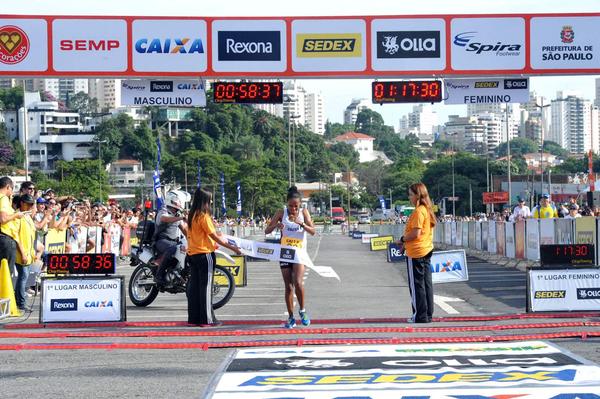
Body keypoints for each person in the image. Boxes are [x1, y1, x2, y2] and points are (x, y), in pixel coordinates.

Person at [186, 188, 241, 326]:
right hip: (204, 254)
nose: (210, 203)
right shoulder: (203, 216)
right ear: (204, 201)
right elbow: (214, 236)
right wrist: (233, 248)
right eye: (209, 200)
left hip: (192, 254)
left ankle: (194, 318)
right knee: (206, 288)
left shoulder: (192, 215)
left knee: (195, 288)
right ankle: (207, 319)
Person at [265, 186, 316, 329]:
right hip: (285, 252)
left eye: (296, 206)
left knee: (298, 282)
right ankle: (291, 317)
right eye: (291, 206)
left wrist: (302, 224)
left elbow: (313, 232)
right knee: (288, 286)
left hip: (299, 252)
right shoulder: (281, 212)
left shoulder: (304, 212)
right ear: (287, 204)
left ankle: (303, 311)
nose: (293, 209)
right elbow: (267, 230)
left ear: (300, 205)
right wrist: (277, 225)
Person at [398, 182, 436, 324]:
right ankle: (427, 314)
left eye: (411, 194)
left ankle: (419, 315)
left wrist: (402, 240)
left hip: (416, 252)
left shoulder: (419, 211)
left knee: (417, 285)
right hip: (425, 249)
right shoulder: (426, 210)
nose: (409, 197)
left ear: (417, 195)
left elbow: (415, 233)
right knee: (426, 284)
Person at [153, 191, 188, 285]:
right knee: (173, 248)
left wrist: (192, 238)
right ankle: (159, 275)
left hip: (174, 241)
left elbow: (184, 229)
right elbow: (165, 219)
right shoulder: (163, 211)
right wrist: (181, 218)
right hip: (161, 240)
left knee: (184, 248)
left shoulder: (176, 215)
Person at [14, 194, 36, 311]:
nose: (31, 206)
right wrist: (22, 253)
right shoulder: (18, 216)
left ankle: (20, 301)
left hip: (28, 252)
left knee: (24, 277)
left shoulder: (27, 216)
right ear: (22, 203)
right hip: (21, 253)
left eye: (32, 204)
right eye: (29, 204)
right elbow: (16, 236)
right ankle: (21, 303)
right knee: (23, 277)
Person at [0, 177, 23, 280]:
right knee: (6, 273)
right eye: (12, 188)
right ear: (8, 187)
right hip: (5, 238)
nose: (12, 192)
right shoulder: (3, 198)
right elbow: (3, 219)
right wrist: (16, 215)